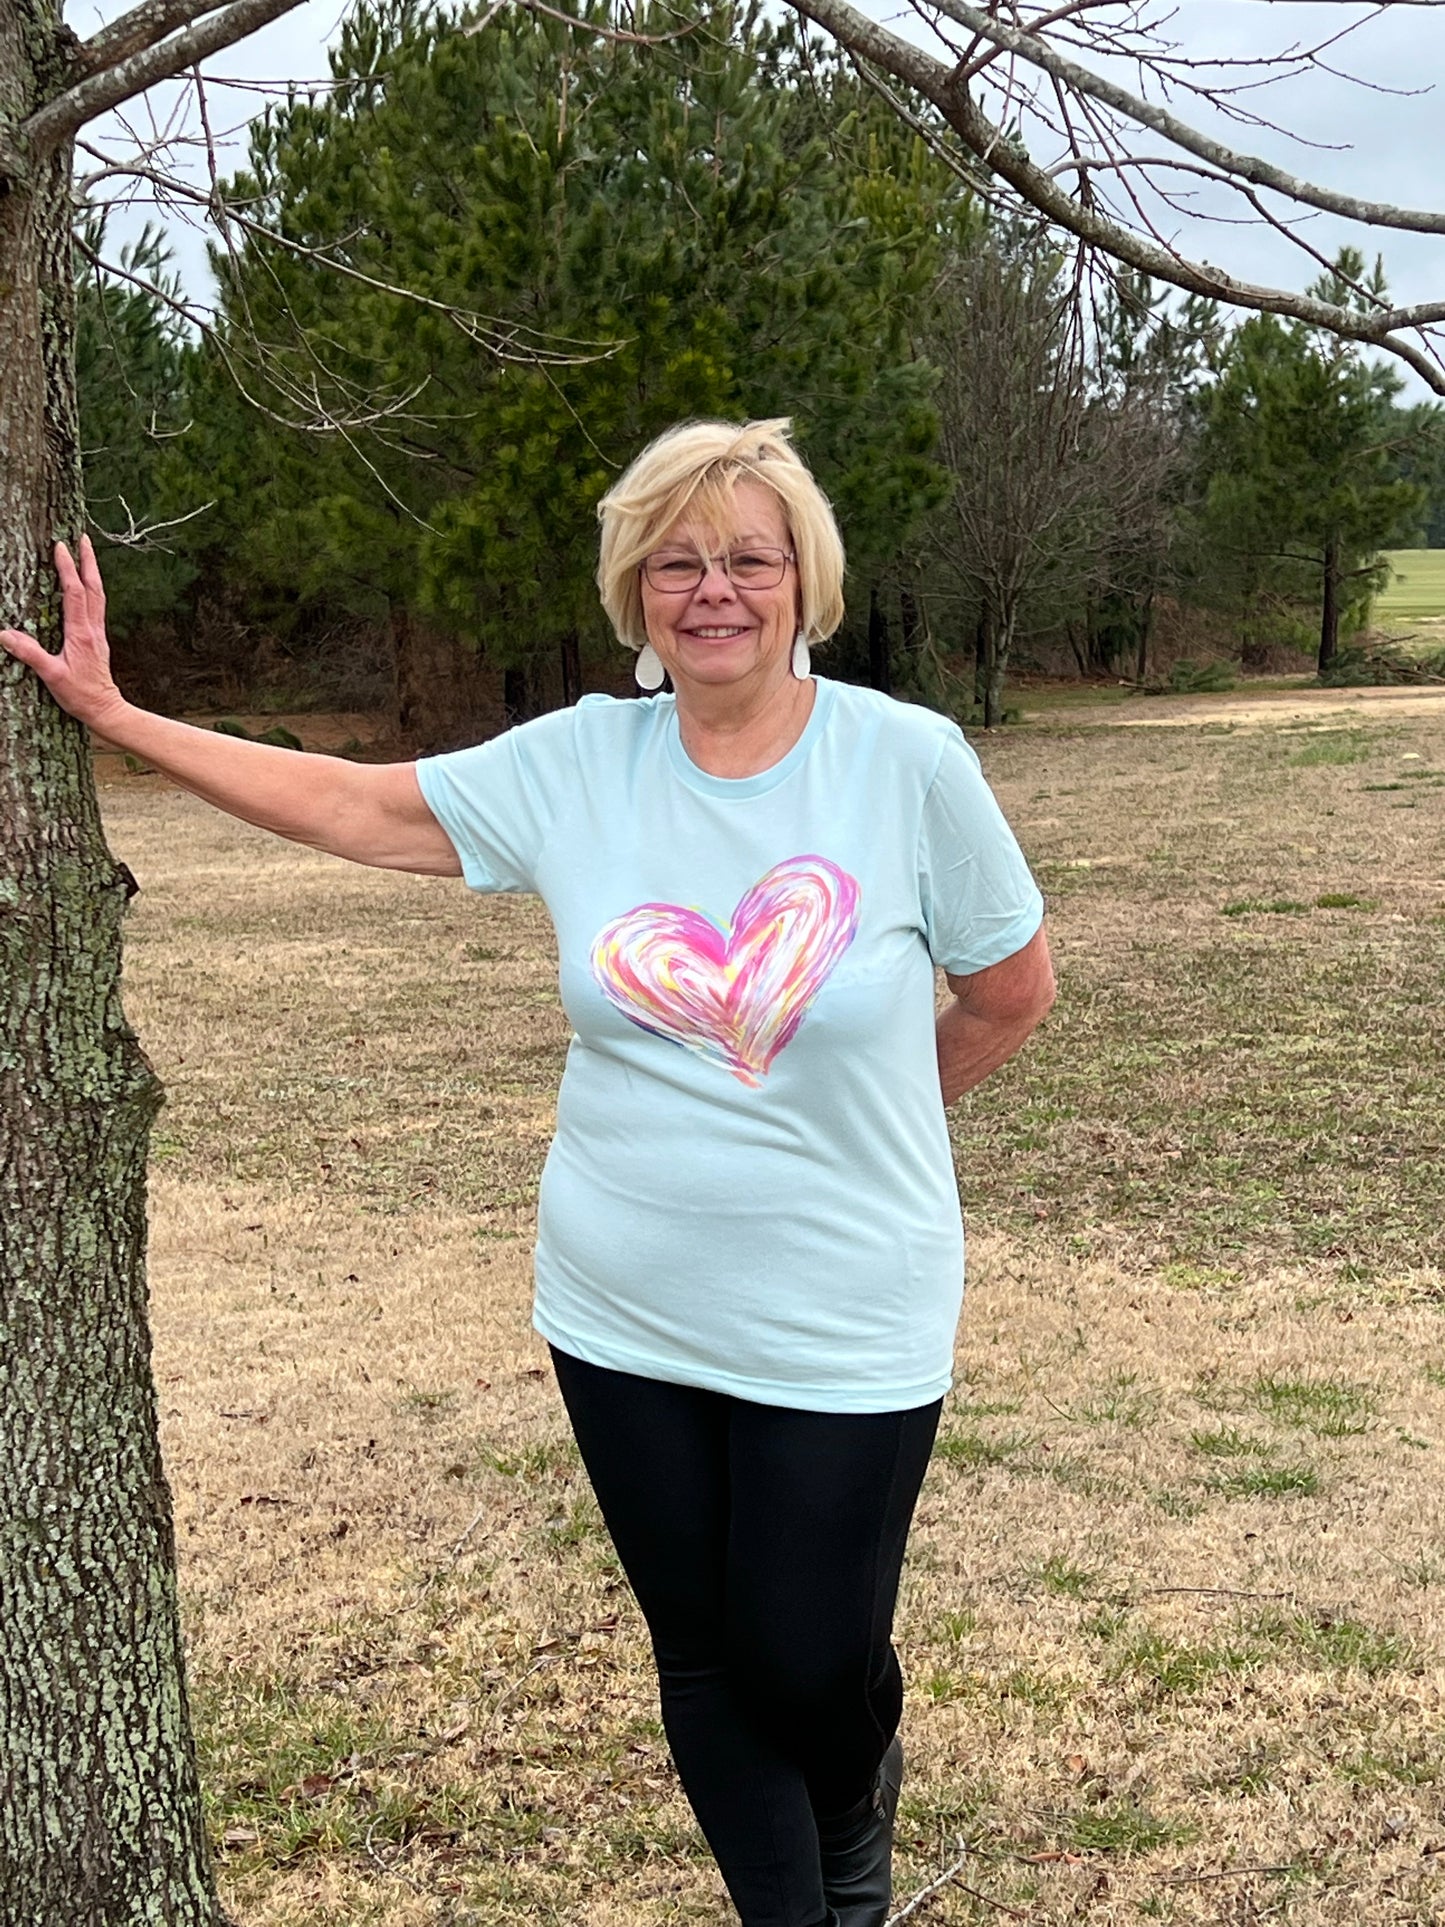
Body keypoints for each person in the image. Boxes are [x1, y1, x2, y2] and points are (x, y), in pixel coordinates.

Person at [1, 417, 1054, 1927]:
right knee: (699, 1650)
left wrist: (861, 1128)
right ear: (636, 589)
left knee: (809, 1652)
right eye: (676, 562)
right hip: (622, 1300)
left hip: (847, 1300)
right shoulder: (576, 764)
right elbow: (358, 805)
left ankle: (854, 1786)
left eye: (746, 558)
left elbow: (1012, 991)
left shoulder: (906, 764)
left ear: (801, 580)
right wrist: (120, 718)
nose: (712, 590)